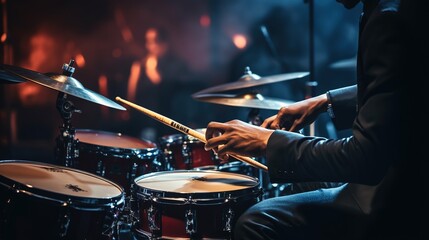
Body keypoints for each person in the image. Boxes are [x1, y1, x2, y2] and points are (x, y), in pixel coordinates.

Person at [204, 0, 423, 239]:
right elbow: (402, 90)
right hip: (401, 179)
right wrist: (325, 101)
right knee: (302, 182)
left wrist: (268, 142)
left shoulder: (388, 19)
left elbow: (365, 158)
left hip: (399, 199)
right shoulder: (396, 7)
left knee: (255, 222)